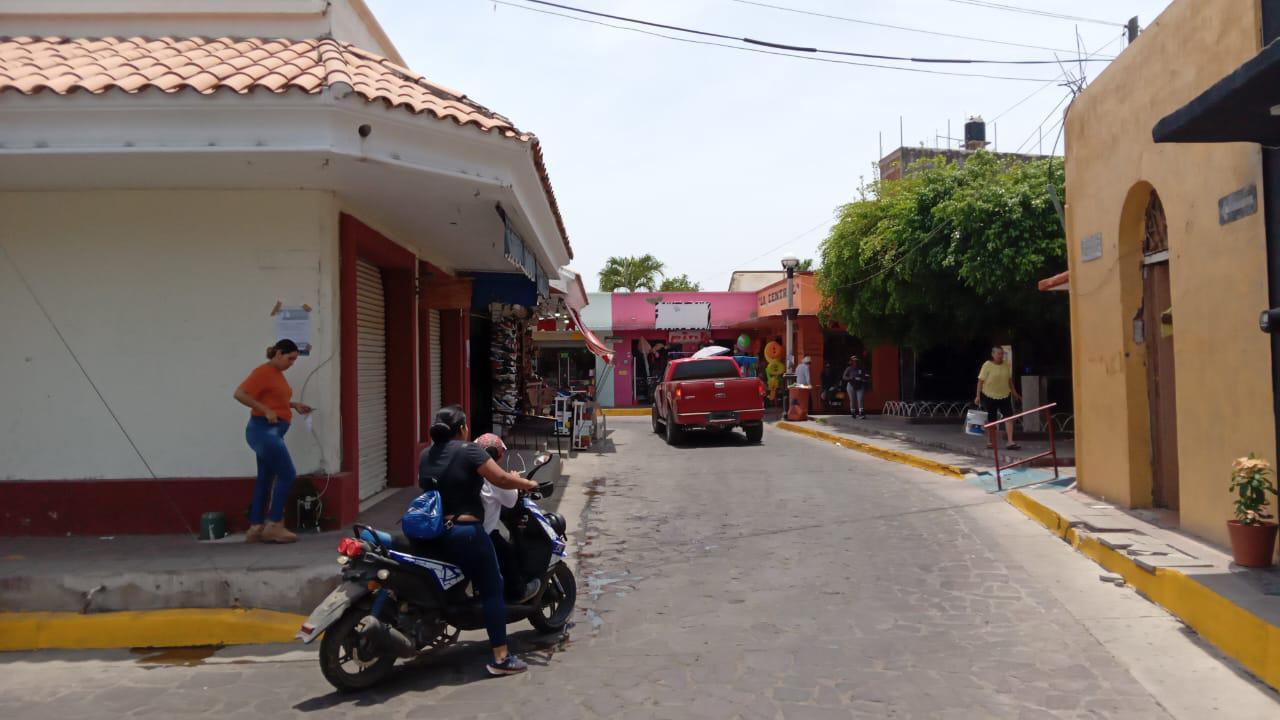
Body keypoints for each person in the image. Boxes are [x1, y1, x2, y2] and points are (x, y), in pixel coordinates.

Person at [421, 406, 539, 676]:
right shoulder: (469, 451)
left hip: (435, 533)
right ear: (462, 428)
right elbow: (501, 479)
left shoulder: (426, 455)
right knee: (492, 588)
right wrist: (526, 484)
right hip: (465, 532)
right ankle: (501, 657)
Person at [234, 339, 312, 544]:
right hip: (264, 431)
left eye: (294, 360)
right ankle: (275, 524)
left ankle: (256, 526)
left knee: (265, 478)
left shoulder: (277, 374)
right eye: (290, 359)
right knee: (287, 474)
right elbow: (239, 394)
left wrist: (293, 405)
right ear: (278, 354)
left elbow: (275, 399)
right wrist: (265, 410)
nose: (292, 363)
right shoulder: (263, 372)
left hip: (271, 432)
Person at [474, 433, 542, 604]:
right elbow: (511, 501)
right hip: (482, 532)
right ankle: (518, 592)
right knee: (508, 553)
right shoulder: (496, 479)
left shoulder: (468, 471)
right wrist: (516, 480)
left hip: (461, 526)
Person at [976, 346, 1022, 450]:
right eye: (998, 354)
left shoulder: (1006, 365)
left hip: (1004, 395)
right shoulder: (987, 365)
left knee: (1008, 417)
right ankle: (990, 441)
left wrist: (1014, 392)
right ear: (993, 354)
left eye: (1002, 354)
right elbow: (980, 381)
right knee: (991, 419)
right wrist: (978, 396)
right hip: (989, 395)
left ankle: (1010, 441)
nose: (1001, 356)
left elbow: (1009, 380)